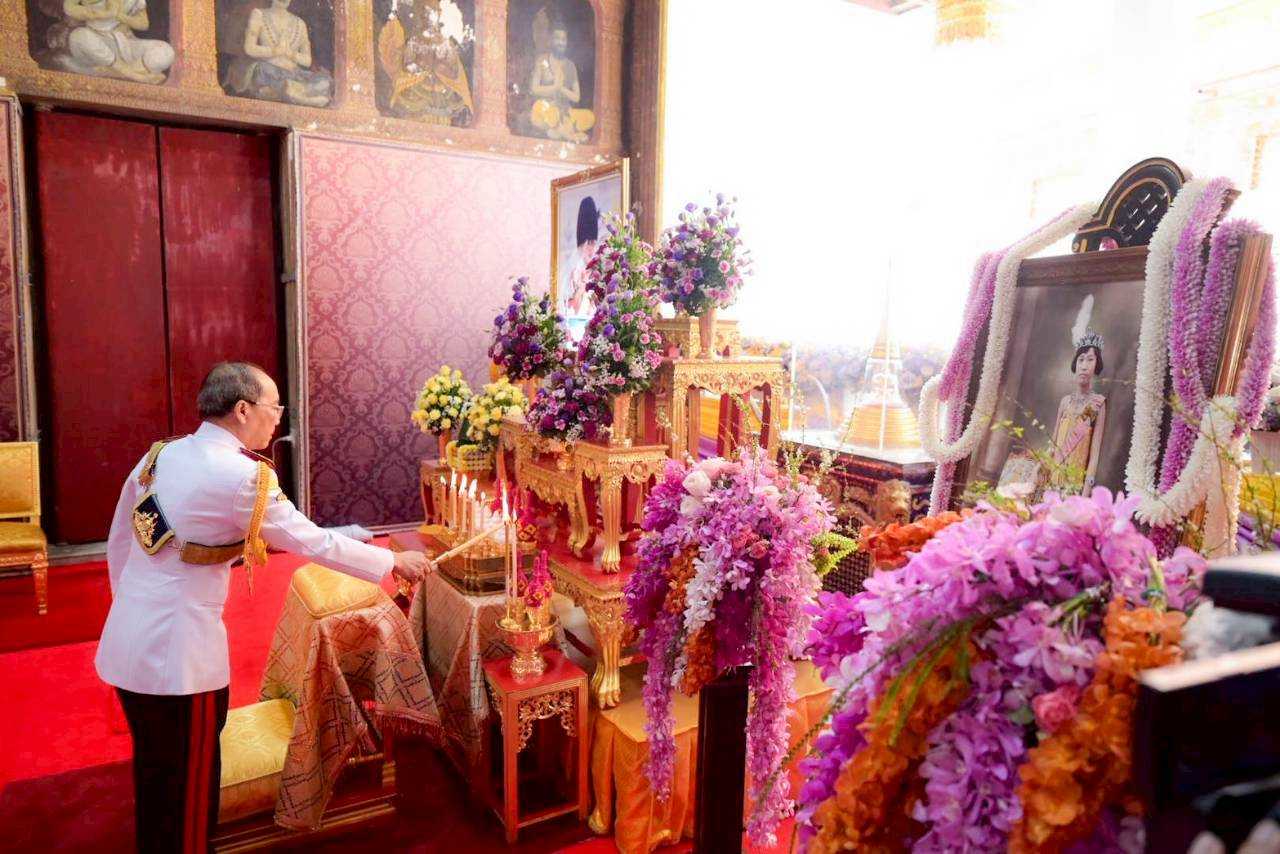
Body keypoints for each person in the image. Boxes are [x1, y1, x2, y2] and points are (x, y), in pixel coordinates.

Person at [95, 362, 433, 853]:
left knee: (154, 773)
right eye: (274, 407)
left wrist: (127, 608)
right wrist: (393, 560)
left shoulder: (161, 456)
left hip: (128, 641)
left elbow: (121, 540)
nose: (278, 417)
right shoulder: (243, 477)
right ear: (242, 409)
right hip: (181, 662)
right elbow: (310, 540)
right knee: (191, 790)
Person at [223, 0, 333, 107]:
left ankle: (297, 94)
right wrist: (275, 51)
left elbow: (307, 61)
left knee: (325, 81)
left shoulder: (300, 23)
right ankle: (298, 95)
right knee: (279, 83)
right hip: (268, 70)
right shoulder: (259, 14)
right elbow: (249, 48)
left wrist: (290, 53)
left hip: (294, 73)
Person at [56, 0, 175, 84]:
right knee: (79, 36)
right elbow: (69, 8)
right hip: (94, 44)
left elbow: (143, 24)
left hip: (125, 44)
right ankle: (134, 75)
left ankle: (113, 73)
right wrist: (101, 14)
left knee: (166, 51)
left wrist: (120, 16)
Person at [1049, 329, 1107, 494]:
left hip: (1074, 489)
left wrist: (1085, 492)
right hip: (1051, 483)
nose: (1084, 366)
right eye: (1081, 360)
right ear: (1075, 364)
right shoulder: (1065, 402)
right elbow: (1052, 445)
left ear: (1097, 365)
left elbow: (1094, 455)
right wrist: (1038, 469)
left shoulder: (1097, 404)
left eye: (1090, 360)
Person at [528, 22, 595, 142]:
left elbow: (576, 97)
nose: (560, 42)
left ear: (567, 42)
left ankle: (558, 131)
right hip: (548, 109)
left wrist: (561, 88)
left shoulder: (570, 65)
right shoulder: (542, 60)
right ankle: (569, 133)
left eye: (563, 39)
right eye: (557, 38)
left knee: (590, 117)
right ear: (551, 40)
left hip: (566, 112)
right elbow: (534, 89)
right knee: (538, 108)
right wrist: (554, 87)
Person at [561, 195, 599, 343]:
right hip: (575, 331)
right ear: (581, 244)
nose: (592, 249)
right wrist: (583, 284)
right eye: (588, 243)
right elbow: (572, 309)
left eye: (594, 243)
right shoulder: (572, 270)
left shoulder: (596, 270)